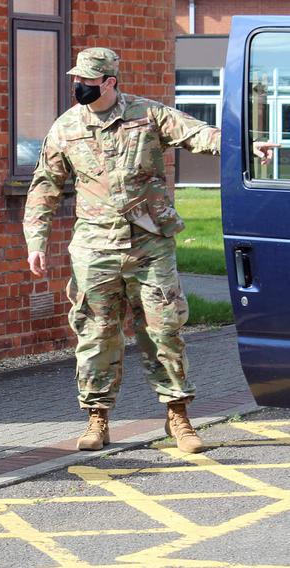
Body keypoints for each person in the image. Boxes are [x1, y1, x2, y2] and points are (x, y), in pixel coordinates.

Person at [23, 47, 277, 454]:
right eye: (77, 81)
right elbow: (44, 186)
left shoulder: (147, 114)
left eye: (88, 82)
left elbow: (199, 134)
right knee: (95, 334)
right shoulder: (66, 128)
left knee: (163, 331)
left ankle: (178, 417)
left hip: (149, 244)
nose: (79, 87)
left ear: (109, 82)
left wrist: (246, 147)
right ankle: (97, 419)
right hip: (95, 248)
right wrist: (35, 240)